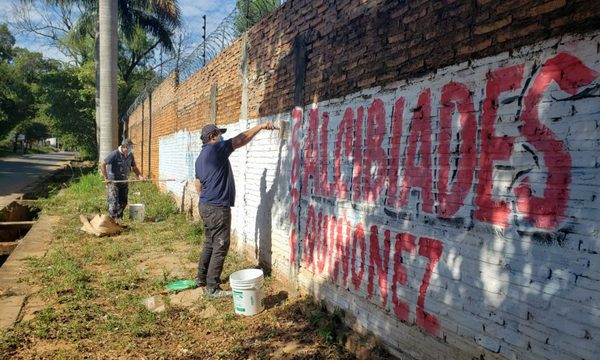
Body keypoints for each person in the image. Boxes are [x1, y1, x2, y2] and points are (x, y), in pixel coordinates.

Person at [195, 121, 275, 298]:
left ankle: (201, 278)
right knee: (221, 244)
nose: (221, 137)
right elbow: (241, 139)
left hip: (206, 205)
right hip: (217, 207)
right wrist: (260, 126)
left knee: (209, 241)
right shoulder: (216, 149)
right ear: (212, 137)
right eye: (219, 135)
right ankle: (212, 287)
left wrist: (205, 200)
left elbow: (198, 184)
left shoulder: (201, 157)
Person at [100, 139, 145, 220]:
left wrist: (140, 176)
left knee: (123, 202)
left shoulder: (130, 155)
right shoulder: (115, 154)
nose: (131, 148)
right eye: (130, 147)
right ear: (124, 147)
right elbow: (102, 164)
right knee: (113, 202)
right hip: (114, 182)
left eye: (132, 147)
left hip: (124, 181)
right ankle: (113, 220)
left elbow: (134, 167)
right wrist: (106, 178)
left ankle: (119, 218)